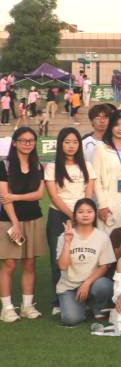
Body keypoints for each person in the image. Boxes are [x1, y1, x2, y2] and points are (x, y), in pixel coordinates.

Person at [1, 127, 47, 322]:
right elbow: (4, 198)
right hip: (8, 220)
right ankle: (7, 308)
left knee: (29, 263)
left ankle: (27, 306)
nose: (27, 144)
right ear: (14, 143)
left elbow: (39, 195)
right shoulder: (4, 165)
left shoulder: (38, 165)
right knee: (9, 264)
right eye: (23, 140)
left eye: (31, 140)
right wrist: (15, 224)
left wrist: (16, 196)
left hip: (33, 218)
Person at [44, 127, 96, 293]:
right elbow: (54, 197)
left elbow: (89, 193)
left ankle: (84, 292)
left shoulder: (87, 165)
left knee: (84, 255)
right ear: (60, 144)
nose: (71, 146)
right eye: (67, 142)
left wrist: (83, 214)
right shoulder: (52, 167)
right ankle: (59, 297)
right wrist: (72, 216)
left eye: (75, 142)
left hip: (83, 216)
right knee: (58, 256)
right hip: (58, 216)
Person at [52, 198, 114, 326]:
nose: (85, 215)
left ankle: (97, 306)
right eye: (81, 212)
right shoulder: (64, 236)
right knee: (71, 319)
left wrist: (87, 283)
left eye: (89, 211)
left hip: (92, 284)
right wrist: (67, 242)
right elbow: (62, 266)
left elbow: (104, 267)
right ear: (74, 215)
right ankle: (82, 305)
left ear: (95, 214)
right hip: (69, 287)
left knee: (104, 285)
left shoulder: (102, 237)